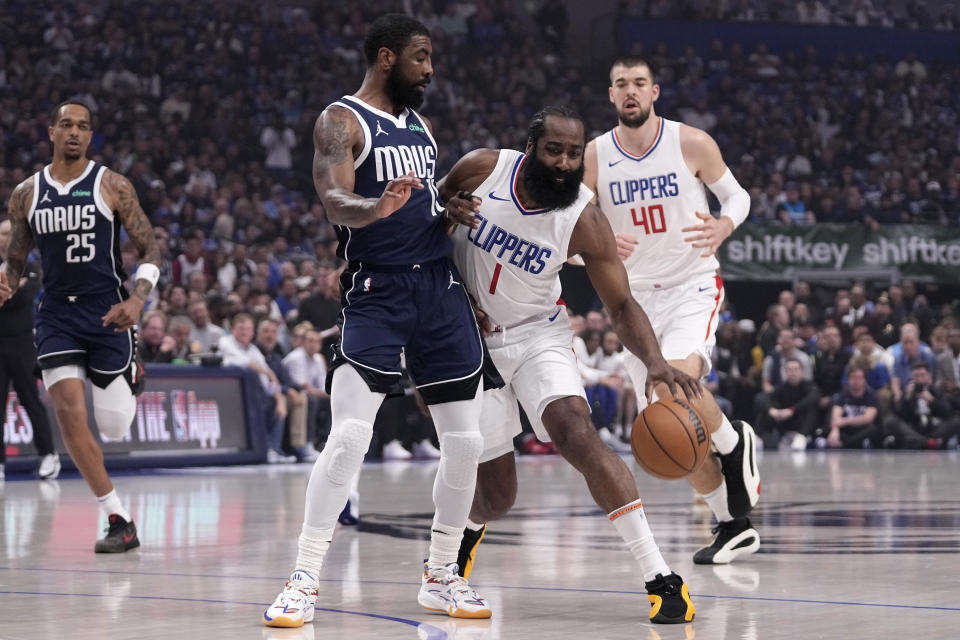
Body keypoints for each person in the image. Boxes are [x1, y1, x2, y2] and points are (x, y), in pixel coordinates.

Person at [264, 14, 494, 627]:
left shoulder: (418, 125)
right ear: (387, 57)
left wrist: (448, 210)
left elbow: (422, 205)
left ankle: (443, 574)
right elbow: (334, 198)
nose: (431, 69)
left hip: (439, 290)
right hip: (377, 290)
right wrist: (377, 204)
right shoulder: (341, 121)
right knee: (349, 435)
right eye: (422, 57)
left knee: (466, 441)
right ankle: (304, 577)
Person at [441, 106, 702, 624]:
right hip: (470, 341)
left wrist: (654, 362)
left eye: (575, 153)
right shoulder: (481, 169)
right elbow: (422, 219)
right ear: (532, 146)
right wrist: (444, 213)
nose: (564, 162)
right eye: (554, 150)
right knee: (496, 498)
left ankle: (658, 575)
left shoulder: (584, 216)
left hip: (540, 333)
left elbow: (622, 305)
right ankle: (470, 528)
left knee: (577, 432)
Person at [583, 56, 760, 565]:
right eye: (621, 84)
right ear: (612, 95)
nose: (630, 91)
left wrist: (724, 226)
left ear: (654, 91)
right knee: (669, 430)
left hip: (690, 285)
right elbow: (565, 237)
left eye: (639, 83)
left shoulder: (691, 142)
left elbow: (739, 197)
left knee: (673, 388)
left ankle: (732, 440)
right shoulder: (595, 157)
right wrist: (590, 247)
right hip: (632, 303)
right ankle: (734, 525)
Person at [0, 101, 159, 552]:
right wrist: (5, 281)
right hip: (56, 317)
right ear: (51, 131)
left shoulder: (112, 185)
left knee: (112, 427)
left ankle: (132, 370)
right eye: (66, 125)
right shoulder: (26, 193)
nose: (74, 132)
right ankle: (117, 517)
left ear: (90, 136)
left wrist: (137, 299)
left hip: (108, 312)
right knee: (70, 415)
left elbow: (150, 251)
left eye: (83, 127)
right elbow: (15, 262)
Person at [0, 218, 60, 480]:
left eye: (10, 233)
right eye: (2, 233)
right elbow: (16, 296)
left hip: (22, 342)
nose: (6, 237)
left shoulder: (31, 266)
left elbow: (24, 297)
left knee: (30, 401)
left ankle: (48, 454)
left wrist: (7, 295)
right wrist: (13, 292)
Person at [218, 313, 291, 463]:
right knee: (260, 402)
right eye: (241, 328)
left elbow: (269, 380)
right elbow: (243, 362)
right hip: (230, 395)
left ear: (252, 333)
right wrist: (266, 371)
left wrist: (280, 402)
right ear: (233, 330)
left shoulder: (253, 350)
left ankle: (272, 449)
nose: (245, 332)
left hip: (254, 396)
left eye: (248, 329)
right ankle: (261, 449)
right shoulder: (226, 342)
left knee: (278, 404)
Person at [882, 360, 960, 449]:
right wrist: (907, 398)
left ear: (928, 376)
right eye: (916, 376)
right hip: (914, 429)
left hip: (934, 429)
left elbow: (947, 412)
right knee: (890, 421)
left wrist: (931, 400)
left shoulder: (936, 391)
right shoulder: (908, 392)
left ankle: (922, 442)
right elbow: (900, 414)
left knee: (957, 420)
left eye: (922, 375)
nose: (919, 379)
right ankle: (928, 443)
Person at [759, 358, 820, 450]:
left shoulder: (810, 386)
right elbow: (763, 398)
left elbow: (813, 398)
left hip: (803, 426)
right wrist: (771, 410)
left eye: (796, 369)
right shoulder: (781, 387)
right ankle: (758, 437)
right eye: (790, 370)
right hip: (784, 423)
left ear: (802, 371)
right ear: (785, 372)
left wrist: (792, 410)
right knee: (767, 405)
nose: (793, 372)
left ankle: (801, 438)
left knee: (811, 409)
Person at [827, 364, 880, 448]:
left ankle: (845, 444)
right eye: (853, 377)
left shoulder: (871, 395)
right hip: (848, 430)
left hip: (862, 428)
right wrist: (835, 430)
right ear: (848, 379)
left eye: (859, 378)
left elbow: (868, 418)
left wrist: (845, 421)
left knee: (873, 429)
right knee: (829, 427)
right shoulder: (842, 395)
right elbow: (835, 417)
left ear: (864, 380)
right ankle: (850, 443)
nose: (856, 381)